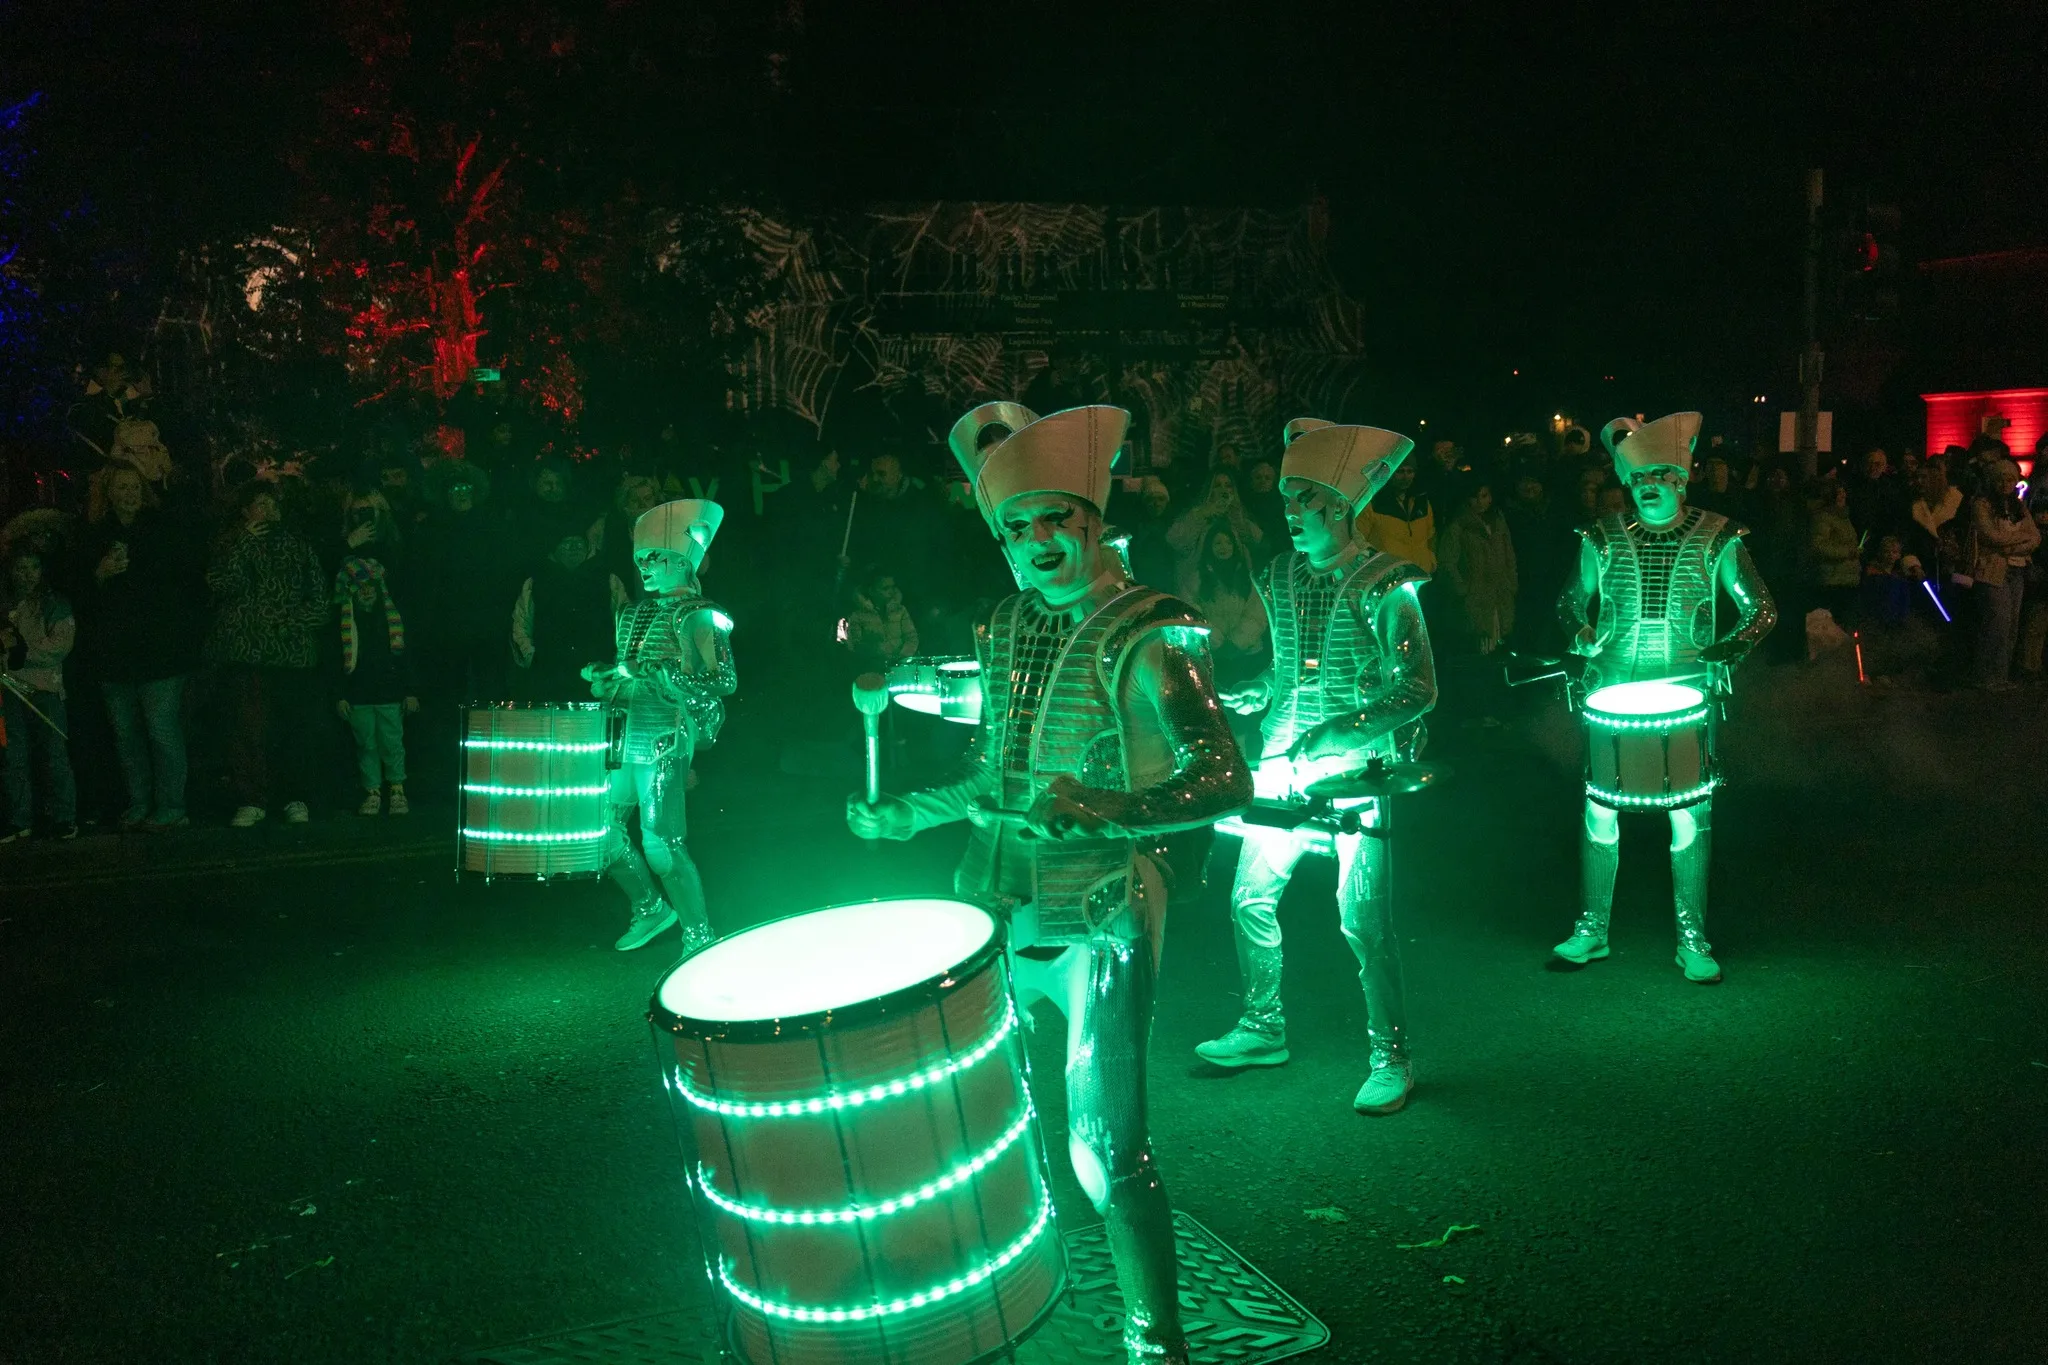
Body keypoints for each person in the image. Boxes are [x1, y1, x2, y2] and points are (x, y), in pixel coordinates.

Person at [849, 403, 1252, 1365]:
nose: (1035, 543)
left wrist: (1108, 806)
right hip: (990, 902)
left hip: (1103, 909)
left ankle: (1156, 1339)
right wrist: (910, 813)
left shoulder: (1155, 628)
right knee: (973, 1120)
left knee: (1105, 1147)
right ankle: (1001, 1305)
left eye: (1053, 521)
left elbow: (1223, 776)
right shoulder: (1004, 625)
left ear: (1094, 519)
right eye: (1014, 528)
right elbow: (995, 774)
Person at [1197, 419, 1438, 1116]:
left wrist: (1338, 731)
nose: (1292, 513)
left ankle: (1392, 1056)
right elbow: (1289, 669)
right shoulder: (1277, 574)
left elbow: (1418, 688)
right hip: (1281, 765)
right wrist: (1255, 691)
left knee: (1362, 921)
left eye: (1305, 500)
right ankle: (1262, 1026)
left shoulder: (1387, 583)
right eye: (1287, 501)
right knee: (1249, 897)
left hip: (1357, 774)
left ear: (1341, 503)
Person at [1555, 413, 1776, 982]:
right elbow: (1570, 602)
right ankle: (1591, 928)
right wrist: (1580, 632)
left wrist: (1727, 649)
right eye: (1638, 477)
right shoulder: (1601, 535)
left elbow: (1760, 610)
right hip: (1611, 690)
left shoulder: (1718, 535)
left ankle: (1692, 937)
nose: (1648, 485)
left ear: (1682, 479)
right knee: (1599, 809)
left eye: (1660, 474)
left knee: (1689, 814)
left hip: (1686, 692)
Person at [584, 500, 735, 953]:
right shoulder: (630, 613)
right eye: (641, 559)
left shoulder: (701, 614)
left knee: (661, 841)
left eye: (656, 558)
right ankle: (650, 908)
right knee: (597, 828)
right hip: (623, 731)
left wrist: (657, 674)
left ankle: (699, 936)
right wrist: (607, 678)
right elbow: (626, 669)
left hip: (665, 736)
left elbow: (723, 680)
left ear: (683, 562)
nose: (646, 566)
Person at [77, 464, 199, 830]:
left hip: (159, 652)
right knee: (126, 735)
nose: (129, 494)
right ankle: (139, 801)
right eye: (121, 487)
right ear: (109, 493)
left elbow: (182, 584)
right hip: (115, 654)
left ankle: (172, 805)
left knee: (161, 730)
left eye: (134, 487)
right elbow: (80, 595)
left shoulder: (163, 531)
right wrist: (99, 575)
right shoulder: (94, 537)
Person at [207, 483, 329, 827]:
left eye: (273, 504)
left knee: (294, 729)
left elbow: (321, 600)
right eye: (260, 504)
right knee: (248, 729)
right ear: (245, 511)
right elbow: (220, 584)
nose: (269, 511)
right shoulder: (229, 544)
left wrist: (291, 623)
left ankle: (295, 796)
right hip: (247, 654)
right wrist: (243, 543)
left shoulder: (299, 546)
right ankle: (251, 798)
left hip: (292, 654)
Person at [2, 550, 78, 842]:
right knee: (13, 755)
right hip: (8, 689)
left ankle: (62, 817)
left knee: (53, 753)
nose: (27, 574)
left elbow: (59, 646)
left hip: (46, 689)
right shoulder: (5, 603)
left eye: (33, 567)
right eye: (20, 567)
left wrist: (17, 653)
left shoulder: (55, 604)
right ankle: (18, 819)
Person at [332, 557, 416, 815]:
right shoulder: (344, 625)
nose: (366, 592)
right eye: (361, 588)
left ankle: (397, 790)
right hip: (359, 697)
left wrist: (410, 692)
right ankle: (372, 792)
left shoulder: (392, 621)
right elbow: (337, 661)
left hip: (389, 695)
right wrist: (340, 696)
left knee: (392, 744)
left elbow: (405, 658)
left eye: (371, 587)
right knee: (366, 745)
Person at [511, 523, 630, 703]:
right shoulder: (536, 582)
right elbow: (521, 622)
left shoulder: (608, 578)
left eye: (579, 544)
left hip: (596, 674)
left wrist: (616, 659)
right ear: (555, 548)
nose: (574, 548)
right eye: (567, 544)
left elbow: (625, 619)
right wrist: (531, 657)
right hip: (549, 675)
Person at [1966, 456, 2041, 690]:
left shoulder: (2018, 506)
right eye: (2001, 479)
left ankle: (2001, 675)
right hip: (1993, 569)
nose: (2006, 484)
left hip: (2017, 569)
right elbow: (1990, 536)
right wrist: (2020, 539)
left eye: (2010, 479)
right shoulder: (1982, 504)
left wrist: (2011, 546)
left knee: (2011, 626)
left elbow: (2035, 537)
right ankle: (1986, 676)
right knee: (1996, 624)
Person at [1434, 479, 1518, 655]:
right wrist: (1463, 589)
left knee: (1501, 643)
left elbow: (1509, 555)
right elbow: (1447, 562)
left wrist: (1511, 583)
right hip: (1476, 599)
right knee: (1480, 645)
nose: (1480, 501)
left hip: (1500, 595)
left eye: (1484, 496)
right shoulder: (1458, 526)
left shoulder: (1498, 522)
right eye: (1475, 497)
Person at [1188, 523, 1268, 685]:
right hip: (1215, 656)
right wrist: (1216, 641)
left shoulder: (1248, 577)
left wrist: (1236, 642)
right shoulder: (1197, 578)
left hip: (1249, 655)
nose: (1223, 547)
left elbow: (1258, 612)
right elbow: (1192, 610)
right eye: (1217, 543)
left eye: (1228, 542)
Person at [1168, 468, 1263, 590]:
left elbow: (1258, 544)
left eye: (1228, 485)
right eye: (1217, 485)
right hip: (1198, 590)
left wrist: (1239, 520)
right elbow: (1176, 542)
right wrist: (1201, 515)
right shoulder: (1196, 515)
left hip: (1236, 590)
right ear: (1209, 489)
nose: (1223, 490)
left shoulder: (1240, 518)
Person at [1356, 457, 1436, 573]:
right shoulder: (1375, 504)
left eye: (1410, 471)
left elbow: (1431, 535)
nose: (1405, 476)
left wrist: (1431, 561)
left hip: (1420, 573)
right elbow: (1359, 540)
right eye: (1400, 471)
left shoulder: (1421, 502)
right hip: (1389, 575)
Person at [1807, 479, 1862, 631]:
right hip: (1833, 579)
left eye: (1843, 492)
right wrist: (1847, 552)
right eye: (1838, 493)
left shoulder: (1844, 518)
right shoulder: (1823, 517)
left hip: (1848, 578)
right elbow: (1819, 546)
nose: (1842, 495)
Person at [841, 568, 919, 673]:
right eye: (885, 588)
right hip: (870, 670)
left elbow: (911, 637)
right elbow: (855, 644)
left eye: (892, 587)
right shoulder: (858, 615)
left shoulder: (900, 610)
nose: (891, 592)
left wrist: (902, 658)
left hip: (901, 668)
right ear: (871, 591)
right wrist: (876, 651)